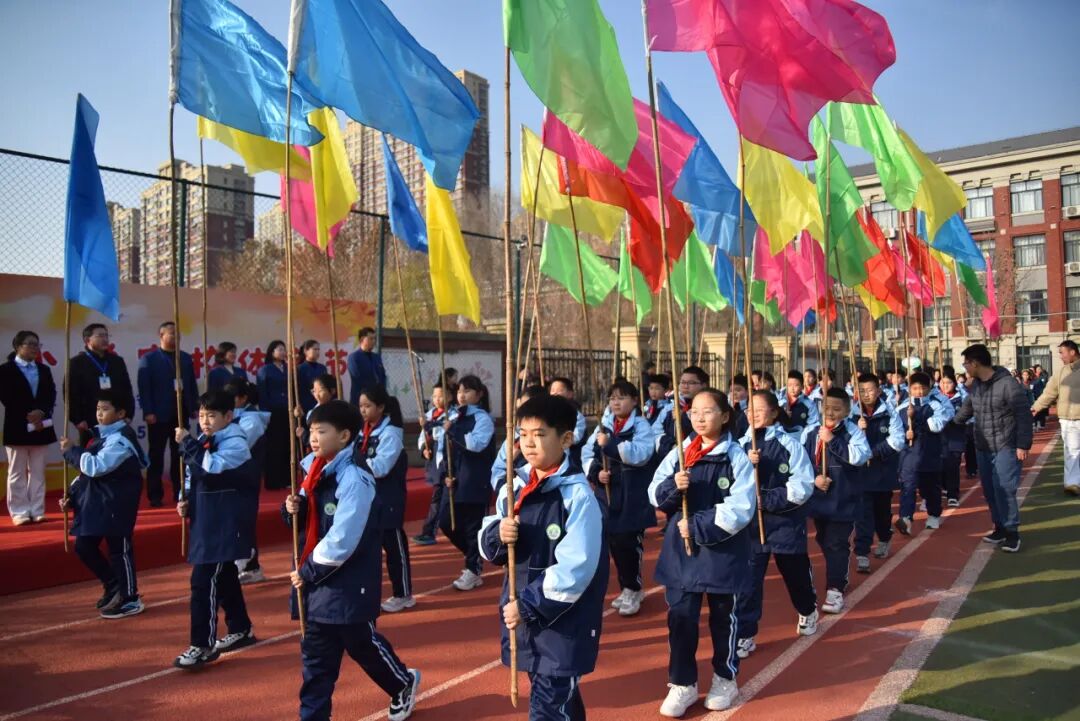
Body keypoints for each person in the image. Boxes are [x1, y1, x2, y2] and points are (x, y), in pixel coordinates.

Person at [284, 400, 420, 721]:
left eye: (321, 431)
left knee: (361, 644)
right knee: (316, 664)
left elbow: (343, 538)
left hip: (347, 582)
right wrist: (292, 509)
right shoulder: (313, 471)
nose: (313, 438)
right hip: (317, 584)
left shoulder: (355, 478)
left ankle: (402, 682)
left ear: (344, 436)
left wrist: (309, 570)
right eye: (312, 431)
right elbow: (305, 521)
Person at [479, 394, 608, 721]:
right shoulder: (515, 485)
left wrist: (527, 605)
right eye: (523, 434)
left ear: (566, 439)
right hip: (527, 619)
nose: (528, 443)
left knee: (549, 707)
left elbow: (577, 567)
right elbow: (490, 538)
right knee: (557, 698)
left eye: (539, 435)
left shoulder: (577, 495)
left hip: (561, 622)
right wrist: (498, 534)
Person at [649, 388, 756, 716]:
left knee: (724, 619)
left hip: (722, 553)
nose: (699, 418)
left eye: (707, 411)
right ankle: (682, 683)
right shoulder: (681, 454)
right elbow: (655, 493)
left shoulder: (735, 456)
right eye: (694, 411)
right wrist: (674, 486)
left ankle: (725, 677)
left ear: (724, 416)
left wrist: (698, 524)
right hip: (682, 554)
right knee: (680, 619)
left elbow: (742, 506)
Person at [174, 390, 257, 669]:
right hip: (207, 519)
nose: (205, 421)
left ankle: (202, 644)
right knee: (224, 576)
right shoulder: (202, 440)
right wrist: (185, 499)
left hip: (225, 522)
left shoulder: (236, 444)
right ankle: (240, 627)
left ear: (228, 416)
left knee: (203, 579)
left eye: (211, 415)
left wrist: (187, 444)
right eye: (201, 415)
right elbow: (192, 476)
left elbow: (210, 469)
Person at [734, 390, 817, 660]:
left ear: (773, 412)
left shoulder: (789, 444)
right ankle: (745, 633)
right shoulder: (739, 446)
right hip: (751, 527)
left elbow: (802, 486)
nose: (753, 415)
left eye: (759, 410)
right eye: (750, 410)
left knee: (795, 574)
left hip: (784, 524)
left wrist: (767, 499)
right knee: (748, 582)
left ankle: (807, 609)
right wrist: (747, 466)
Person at [59, 389, 148, 618]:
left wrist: (71, 451)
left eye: (105, 409)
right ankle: (112, 584)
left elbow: (95, 466)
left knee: (120, 551)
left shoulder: (120, 439)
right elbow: (85, 476)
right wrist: (71, 495)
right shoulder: (99, 436)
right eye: (98, 408)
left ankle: (130, 598)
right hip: (98, 504)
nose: (99, 413)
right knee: (84, 546)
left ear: (121, 413)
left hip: (117, 505)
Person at [583, 379, 655, 617]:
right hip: (607, 493)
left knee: (628, 542)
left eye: (622, 397)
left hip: (631, 493)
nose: (616, 402)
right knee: (613, 541)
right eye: (612, 398)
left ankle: (634, 587)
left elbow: (642, 454)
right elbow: (587, 452)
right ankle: (626, 587)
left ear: (634, 401)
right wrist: (596, 472)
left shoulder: (641, 426)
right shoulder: (604, 425)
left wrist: (612, 444)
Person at [953, 344, 1032, 553]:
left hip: (1006, 445)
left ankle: (1012, 533)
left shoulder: (1008, 384)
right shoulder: (976, 386)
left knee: (1004, 488)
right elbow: (966, 410)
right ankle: (999, 527)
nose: (964, 367)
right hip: (983, 446)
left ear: (975, 363)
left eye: (966, 363)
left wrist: (1023, 444)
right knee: (989, 490)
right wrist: (949, 425)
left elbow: (1023, 415)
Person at [803, 387, 871, 615]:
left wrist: (833, 440)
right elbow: (803, 462)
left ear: (848, 410)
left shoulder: (853, 432)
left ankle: (835, 588)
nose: (830, 413)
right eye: (827, 407)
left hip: (844, 500)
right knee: (823, 540)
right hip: (819, 500)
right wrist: (815, 478)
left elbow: (859, 457)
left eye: (836, 409)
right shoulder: (812, 431)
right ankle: (839, 572)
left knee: (836, 543)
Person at [355, 385, 414, 614]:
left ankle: (403, 594)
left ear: (380, 407)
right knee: (368, 550)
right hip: (368, 500)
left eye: (367, 406)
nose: (363, 410)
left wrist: (355, 465)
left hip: (388, 499)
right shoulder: (362, 432)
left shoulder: (390, 434)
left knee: (394, 548)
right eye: (360, 406)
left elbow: (380, 467)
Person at [439, 375, 496, 591]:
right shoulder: (454, 417)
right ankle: (474, 556)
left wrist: (452, 430)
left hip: (475, 480)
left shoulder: (483, 419)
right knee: (446, 521)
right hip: (455, 481)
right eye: (459, 391)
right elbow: (446, 449)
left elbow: (476, 444)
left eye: (467, 391)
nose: (461, 395)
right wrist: (446, 473)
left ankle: (473, 568)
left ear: (479, 394)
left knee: (473, 527)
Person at [138, 321, 198, 507]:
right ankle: (155, 495)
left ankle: (181, 491)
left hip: (180, 414)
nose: (176, 336)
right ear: (161, 335)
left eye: (178, 333)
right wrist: (148, 411)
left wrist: (194, 406)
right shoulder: (149, 359)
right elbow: (144, 388)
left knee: (180, 454)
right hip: (158, 415)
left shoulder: (185, 358)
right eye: (172, 333)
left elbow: (191, 384)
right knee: (156, 455)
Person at [1, 331, 58, 525]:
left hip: (41, 426)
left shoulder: (43, 369)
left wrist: (41, 412)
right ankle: (19, 512)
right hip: (17, 425)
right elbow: (7, 397)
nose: (35, 348)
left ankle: (37, 509)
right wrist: (29, 414)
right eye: (30, 344)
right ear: (18, 347)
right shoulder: (5, 370)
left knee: (37, 471)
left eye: (37, 344)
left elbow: (50, 394)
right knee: (17, 471)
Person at [852, 373, 904, 574]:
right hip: (861, 474)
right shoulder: (852, 414)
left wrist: (873, 453)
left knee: (881, 511)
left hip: (883, 471)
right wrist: (857, 430)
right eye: (862, 390)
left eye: (870, 390)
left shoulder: (889, 412)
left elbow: (897, 440)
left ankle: (884, 537)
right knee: (863, 513)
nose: (866, 394)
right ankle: (862, 552)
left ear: (879, 390)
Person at [895, 372, 953, 535]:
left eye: (922, 388)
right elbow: (895, 430)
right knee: (908, 486)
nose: (919, 392)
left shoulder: (936, 405)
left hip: (929, 453)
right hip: (909, 455)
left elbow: (937, 425)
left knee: (930, 488)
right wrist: (905, 433)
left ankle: (934, 515)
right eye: (915, 388)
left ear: (929, 388)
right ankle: (906, 518)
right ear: (909, 389)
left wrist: (916, 418)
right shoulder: (901, 408)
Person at [224, 378, 271, 585]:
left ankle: (249, 564)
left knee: (243, 518)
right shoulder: (233, 416)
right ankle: (246, 564)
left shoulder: (252, 420)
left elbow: (238, 447)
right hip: (234, 476)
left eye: (231, 398)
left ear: (243, 398)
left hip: (246, 476)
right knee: (235, 518)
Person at [67, 323, 134, 447]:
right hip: (89, 420)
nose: (105, 339)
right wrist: (77, 419)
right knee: (91, 454)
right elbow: (71, 393)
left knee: (117, 452)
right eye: (100, 336)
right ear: (87, 340)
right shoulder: (76, 363)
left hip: (117, 419)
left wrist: (129, 414)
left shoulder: (117, 361)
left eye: (106, 336)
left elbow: (127, 389)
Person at [1032, 341, 1080, 494]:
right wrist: (1036, 407)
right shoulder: (1060, 373)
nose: (1060, 356)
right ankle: (1072, 484)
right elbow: (1049, 393)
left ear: (1072, 352)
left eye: (1062, 352)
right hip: (1067, 419)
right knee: (1071, 451)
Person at [490, 385, 547, 494]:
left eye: (530, 407)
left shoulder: (552, 437)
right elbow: (497, 472)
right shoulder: (514, 437)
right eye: (522, 407)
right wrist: (508, 492)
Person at [413, 383, 448, 546]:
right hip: (434, 461)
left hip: (446, 460)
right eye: (434, 396)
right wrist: (424, 449)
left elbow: (443, 436)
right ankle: (429, 531)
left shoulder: (452, 416)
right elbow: (423, 436)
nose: (437, 399)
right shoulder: (430, 415)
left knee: (439, 497)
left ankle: (430, 530)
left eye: (441, 396)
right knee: (437, 496)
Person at [257, 339, 292, 490]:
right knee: (274, 446)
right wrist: (266, 413)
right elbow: (262, 393)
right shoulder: (265, 370)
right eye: (279, 349)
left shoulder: (288, 369)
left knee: (287, 445)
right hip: (273, 411)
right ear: (272, 352)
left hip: (287, 410)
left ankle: (287, 479)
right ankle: (273, 481)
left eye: (284, 349)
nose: (283, 352)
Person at [939, 374, 967, 508]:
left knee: (953, 466)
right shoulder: (936, 399)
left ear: (954, 384)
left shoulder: (961, 399)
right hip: (940, 439)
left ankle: (953, 494)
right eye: (942, 383)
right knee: (941, 466)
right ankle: (944, 488)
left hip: (956, 438)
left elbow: (966, 417)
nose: (945, 385)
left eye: (948, 382)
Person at [548, 377, 588, 466]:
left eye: (559, 390)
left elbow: (576, 437)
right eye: (552, 390)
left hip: (571, 460)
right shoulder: (546, 413)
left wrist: (558, 440)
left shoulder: (577, 415)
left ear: (570, 394)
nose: (555, 393)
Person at [347, 327, 386, 407]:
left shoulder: (376, 357)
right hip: (360, 401)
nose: (374, 341)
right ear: (362, 340)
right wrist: (373, 392)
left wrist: (381, 393)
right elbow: (358, 378)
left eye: (374, 339)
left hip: (376, 400)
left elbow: (382, 376)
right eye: (371, 339)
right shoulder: (354, 357)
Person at [779, 370, 821, 436]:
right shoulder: (779, 402)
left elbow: (813, 425)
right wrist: (782, 415)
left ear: (802, 387)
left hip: (800, 438)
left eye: (796, 385)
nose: (792, 388)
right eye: (789, 385)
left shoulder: (809, 404)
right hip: (781, 438)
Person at [297, 340, 328, 415]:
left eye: (318, 349)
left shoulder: (322, 368)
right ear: (306, 351)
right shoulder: (299, 369)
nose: (317, 352)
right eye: (315, 349)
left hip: (322, 405)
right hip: (306, 406)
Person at [1031, 364, 1050, 431]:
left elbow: (1045, 384)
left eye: (1040, 369)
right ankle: (1035, 423)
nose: (1039, 370)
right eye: (1038, 369)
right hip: (1034, 395)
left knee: (1041, 410)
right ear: (1035, 370)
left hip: (1041, 394)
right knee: (1035, 410)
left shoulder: (1043, 376)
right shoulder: (1032, 377)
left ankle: (1041, 423)